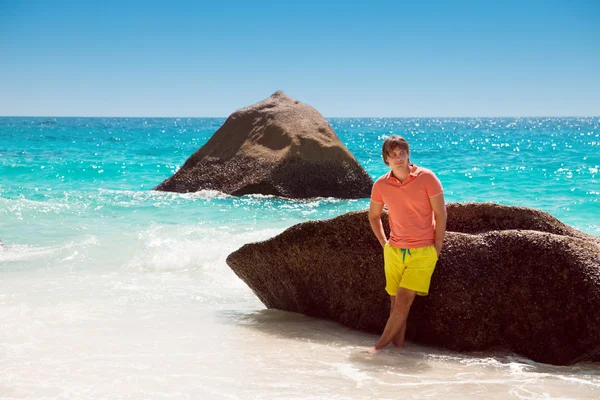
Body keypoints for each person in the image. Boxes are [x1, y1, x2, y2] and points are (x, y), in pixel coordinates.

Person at [368, 135, 446, 350]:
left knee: (402, 301)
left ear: (408, 154)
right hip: (394, 251)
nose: (399, 158)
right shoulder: (381, 184)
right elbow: (373, 216)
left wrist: (437, 245)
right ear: (386, 159)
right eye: (393, 155)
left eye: (402, 153)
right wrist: (384, 243)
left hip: (422, 251)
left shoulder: (427, 178)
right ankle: (398, 352)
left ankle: (377, 349)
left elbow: (441, 213)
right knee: (395, 305)